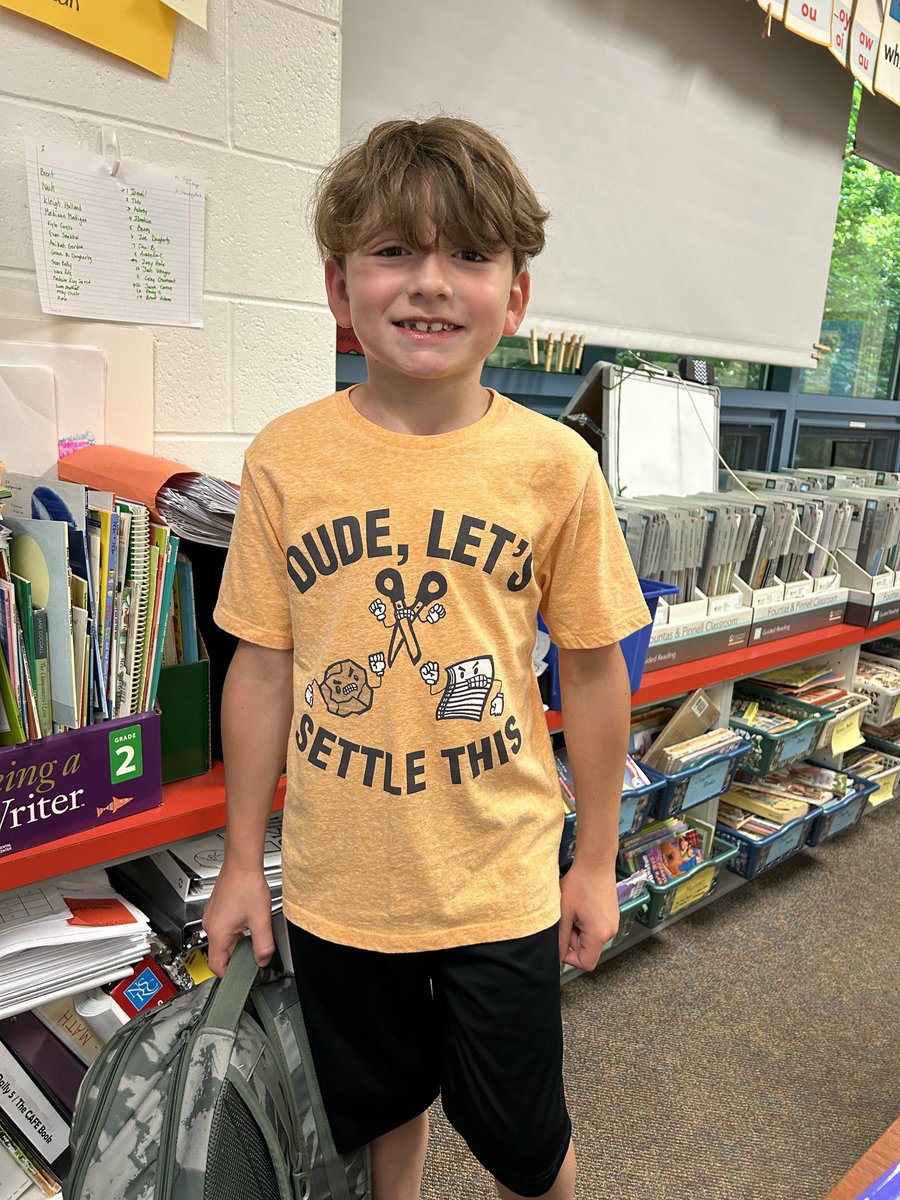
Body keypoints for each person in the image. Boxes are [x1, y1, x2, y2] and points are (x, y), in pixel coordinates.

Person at [203, 115, 649, 1200]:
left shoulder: (555, 467)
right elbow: (261, 668)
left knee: (523, 1141)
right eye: (394, 250)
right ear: (338, 287)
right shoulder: (285, 459)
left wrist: (595, 858)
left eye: (471, 254)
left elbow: (594, 671)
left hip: (498, 877)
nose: (431, 283)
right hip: (339, 884)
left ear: (516, 295)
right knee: (380, 1112)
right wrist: (238, 862)